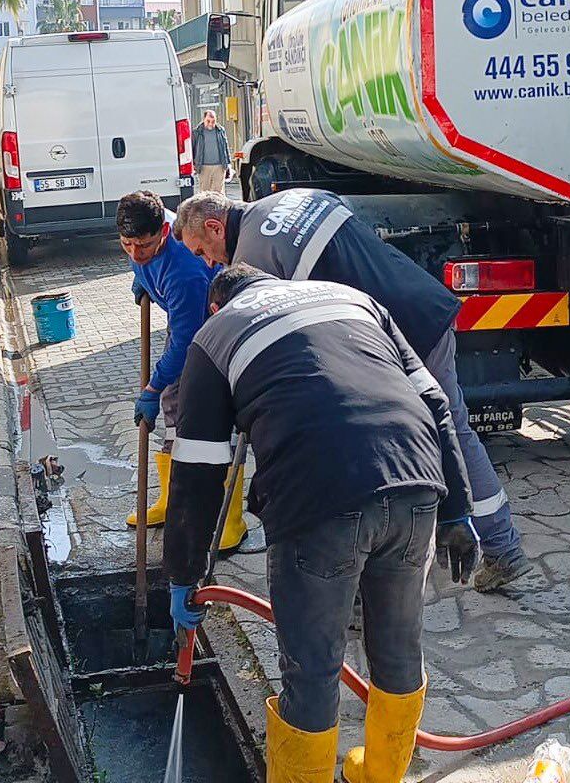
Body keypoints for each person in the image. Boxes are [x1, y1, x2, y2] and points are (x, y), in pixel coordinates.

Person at [165, 265, 480, 783]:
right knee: (399, 650)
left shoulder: (215, 333)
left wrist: (184, 573)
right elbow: (434, 401)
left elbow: (198, 468)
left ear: (216, 305)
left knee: (311, 671)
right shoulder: (352, 298)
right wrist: (457, 510)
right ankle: (380, 775)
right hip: (416, 483)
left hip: (317, 502)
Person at [172, 189, 531, 591]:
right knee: (441, 430)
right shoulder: (293, 198)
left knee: (451, 434)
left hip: (398, 336)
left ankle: (501, 548)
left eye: (203, 251)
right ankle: (435, 546)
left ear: (215, 227)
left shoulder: (254, 259)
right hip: (421, 304)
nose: (209, 263)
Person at [116, 191, 245, 549]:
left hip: (214, 335)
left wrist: (152, 388)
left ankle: (231, 519)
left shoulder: (184, 270)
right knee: (174, 410)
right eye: (127, 245)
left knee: (212, 424)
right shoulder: (144, 236)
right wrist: (143, 275)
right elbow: (139, 255)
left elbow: (186, 342)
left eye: (144, 246)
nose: (135, 254)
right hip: (186, 328)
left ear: (164, 231)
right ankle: (171, 501)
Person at [193, 110, 232, 196]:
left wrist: (228, 163)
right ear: (204, 119)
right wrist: (193, 164)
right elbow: (193, 148)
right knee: (204, 194)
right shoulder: (197, 132)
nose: (211, 124)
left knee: (218, 194)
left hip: (219, 166)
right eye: (208, 121)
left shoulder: (220, 130)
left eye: (213, 121)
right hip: (203, 167)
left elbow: (225, 146)